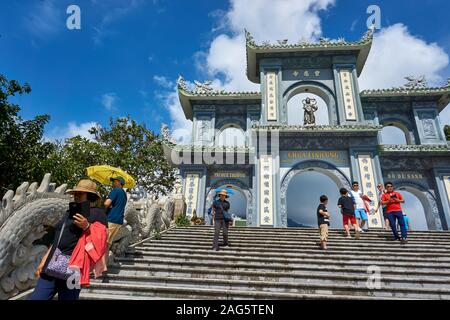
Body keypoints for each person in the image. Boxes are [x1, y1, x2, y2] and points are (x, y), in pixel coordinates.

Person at [30, 179, 108, 300]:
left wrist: (87, 226)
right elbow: (58, 239)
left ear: (90, 196)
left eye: (80, 193)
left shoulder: (98, 214)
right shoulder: (68, 212)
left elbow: (102, 239)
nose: (76, 196)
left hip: (75, 268)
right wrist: (44, 260)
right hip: (52, 264)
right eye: (75, 193)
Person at [104, 176, 127, 251]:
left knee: (103, 243)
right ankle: (105, 261)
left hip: (111, 219)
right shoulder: (124, 193)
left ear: (119, 183)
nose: (112, 183)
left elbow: (106, 204)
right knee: (107, 243)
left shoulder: (115, 190)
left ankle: (102, 262)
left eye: (114, 181)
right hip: (118, 220)